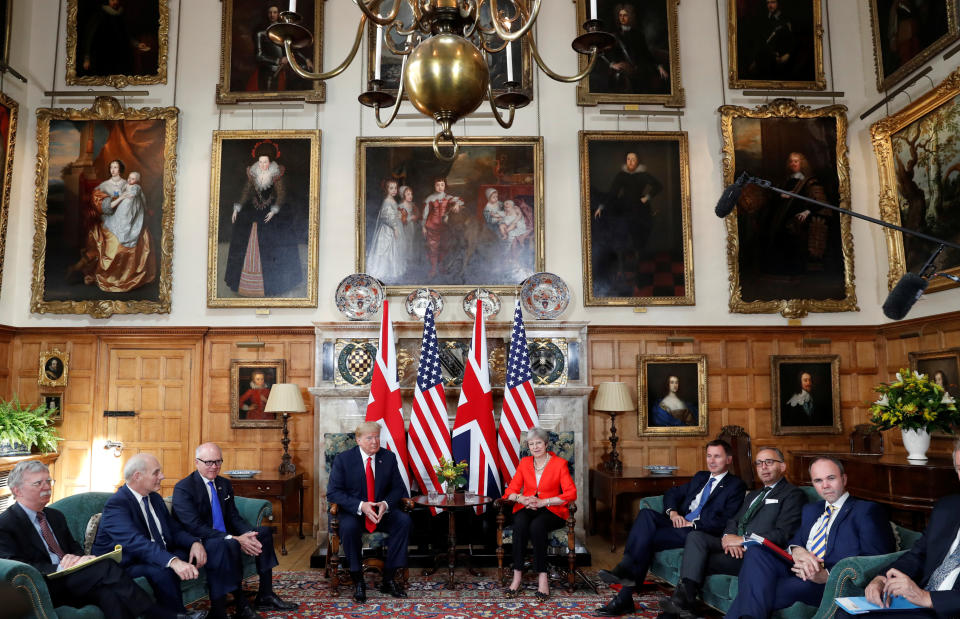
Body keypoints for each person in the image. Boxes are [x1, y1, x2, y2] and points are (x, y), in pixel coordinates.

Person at [0, 461, 200, 619]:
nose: (46, 487)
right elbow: (15, 566)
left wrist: (78, 559)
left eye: (48, 482)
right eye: (38, 483)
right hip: (44, 585)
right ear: (17, 490)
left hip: (73, 576)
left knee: (109, 594)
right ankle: (156, 613)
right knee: (105, 566)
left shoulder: (54, 515)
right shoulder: (6, 523)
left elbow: (74, 547)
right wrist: (60, 567)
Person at [724, 456, 895, 618]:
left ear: (844, 479)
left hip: (829, 582)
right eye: (818, 481)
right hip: (798, 569)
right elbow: (796, 541)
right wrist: (798, 551)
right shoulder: (812, 510)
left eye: (831, 478)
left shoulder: (866, 511)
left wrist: (826, 575)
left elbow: (878, 559)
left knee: (759, 590)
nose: (825, 485)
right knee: (756, 552)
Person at [593, 439, 746, 617]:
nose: (711, 461)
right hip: (678, 524)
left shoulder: (735, 486)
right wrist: (673, 512)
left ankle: (624, 594)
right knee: (646, 515)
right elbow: (673, 493)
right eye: (709, 456)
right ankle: (625, 580)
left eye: (717, 457)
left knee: (645, 540)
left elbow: (725, 520)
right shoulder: (701, 477)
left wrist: (693, 523)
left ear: (728, 459)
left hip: (697, 532)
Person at [660, 447, 806, 618]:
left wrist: (742, 540)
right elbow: (734, 520)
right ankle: (684, 603)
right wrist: (727, 537)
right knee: (696, 537)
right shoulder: (754, 495)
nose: (763, 467)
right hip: (734, 545)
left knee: (696, 561)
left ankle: (678, 608)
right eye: (759, 463)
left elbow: (783, 533)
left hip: (756, 554)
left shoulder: (793, 494)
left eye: (769, 462)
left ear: (782, 467)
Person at [172, 443, 298, 618]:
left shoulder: (223, 483)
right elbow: (195, 526)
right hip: (201, 539)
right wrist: (235, 538)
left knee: (263, 533)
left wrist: (248, 535)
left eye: (218, 462)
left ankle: (266, 594)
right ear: (197, 462)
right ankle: (240, 603)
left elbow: (233, 517)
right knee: (229, 543)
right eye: (209, 462)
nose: (214, 467)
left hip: (225, 535)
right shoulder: (184, 488)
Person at [843, 440, 960, 618]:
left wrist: (927, 598)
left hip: (947, 609)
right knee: (846, 614)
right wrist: (882, 578)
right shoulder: (948, 507)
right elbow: (918, 555)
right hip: (919, 603)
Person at [91, 454, 214, 615]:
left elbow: (174, 530)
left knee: (205, 551)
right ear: (137, 476)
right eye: (156, 473)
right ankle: (179, 615)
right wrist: (173, 561)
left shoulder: (154, 498)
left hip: (151, 553)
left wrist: (194, 543)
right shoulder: (117, 504)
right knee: (163, 569)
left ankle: (219, 604)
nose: (162, 476)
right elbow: (136, 542)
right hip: (126, 563)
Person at [327, 422, 411, 603]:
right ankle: (358, 580)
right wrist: (361, 505)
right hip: (353, 512)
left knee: (403, 520)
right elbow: (333, 492)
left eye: (377, 437)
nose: (375, 441)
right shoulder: (343, 459)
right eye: (369, 438)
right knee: (348, 527)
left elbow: (398, 488)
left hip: (381, 512)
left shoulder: (388, 457)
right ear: (358, 440)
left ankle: (389, 579)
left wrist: (385, 504)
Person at [501, 427, 578, 601]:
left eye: (538, 443)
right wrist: (522, 498)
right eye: (531, 444)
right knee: (519, 524)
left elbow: (570, 494)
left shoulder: (559, 464)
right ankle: (517, 577)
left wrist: (544, 501)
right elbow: (510, 491)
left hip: (552, 510)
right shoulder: (525, 463)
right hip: (527, 506)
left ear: (546, 444)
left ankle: (543, 578)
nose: (535, 447)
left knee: (537, 526)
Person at [224, 141, 303, 298]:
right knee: (247, 238)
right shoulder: (253, 173)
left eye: (265, 161)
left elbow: (281, 195)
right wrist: (237, 207)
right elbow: (246, 192)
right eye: (260, 161)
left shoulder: (276, 174)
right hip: (253, 209)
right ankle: (247, 285)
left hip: (273, 210)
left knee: (272, 243)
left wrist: (274, 211)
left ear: (271, 161)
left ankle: (274, 285)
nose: (263, 164)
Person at [67, 159, 156, 293]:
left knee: (143, 235)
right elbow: (104, 207)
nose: (113, 170)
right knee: (113, 243)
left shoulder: (129, 184)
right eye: (111, 167)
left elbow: (139, 201)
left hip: (130, 218)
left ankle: (128, 276)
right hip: (111, 218)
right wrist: (119, 199)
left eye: (116, 167)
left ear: (120, 169)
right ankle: (108, 275)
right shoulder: (104, 186)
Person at [592, 152, 663, 296]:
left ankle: (638, 278)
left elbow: (658, 186)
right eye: (628, 159)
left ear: (638, 161)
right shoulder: (621, 175)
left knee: (638, 244)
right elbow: (613, 193)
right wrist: (601, 207)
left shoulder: (643, 175)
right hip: (623, 211)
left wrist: (647, 197)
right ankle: (623, 277)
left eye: (633, 159)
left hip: (640, 212)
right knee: (622, 244)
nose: (630, 162)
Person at [765, 152, 832, 277]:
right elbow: (775, 196)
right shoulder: (787, 180)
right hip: (783, 216)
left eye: (796, 161)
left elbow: (820, 201)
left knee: (792, 236)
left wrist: (807, 211)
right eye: (791, 161)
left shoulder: (809, 181)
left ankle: (795, 272)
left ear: (802, 163)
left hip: (799, 216)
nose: (793, 164)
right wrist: (781, 195)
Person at [593, 3, 669, 94]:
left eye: (625, 15)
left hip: (638, 70)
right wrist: (612, 64)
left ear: (630, 16)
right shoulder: (614, 35)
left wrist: (659, 66)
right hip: (623, 70)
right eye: (620, 15)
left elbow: (646, 53)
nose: (622, 18)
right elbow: (604, 54)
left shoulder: (639, 35)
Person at [79, 0, 152, 77]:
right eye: (112, 0)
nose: (115, 2)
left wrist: (137, 44)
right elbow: (89, 37)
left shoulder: (120, 14)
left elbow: (126, 34)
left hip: (120, 56)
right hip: (103, 56)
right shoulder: (99, 14)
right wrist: (87, 58)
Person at [251, 5, 313, 92]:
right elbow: (259, 56)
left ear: (278, 15)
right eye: (270, 12)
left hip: (282, 71)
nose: (272, 15)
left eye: (275, 12)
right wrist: (278, 60)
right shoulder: (261, 34)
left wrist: (305, 59)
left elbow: (292, 49)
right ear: (267, 14)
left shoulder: (283, 33)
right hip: (267, 72)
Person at [421, 177, 464, 279]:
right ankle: (433, 269)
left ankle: (441, 267)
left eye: (442, 185)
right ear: (434, 186)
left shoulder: (448, 197)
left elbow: (461, 200)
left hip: (445, 228)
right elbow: (424, 214)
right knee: (433, 248)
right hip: (432, 227)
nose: (440, 187)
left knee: (444, 248)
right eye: (437, 185)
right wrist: (423, 227)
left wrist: (457, 204)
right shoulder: (430, 199)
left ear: (445, 186)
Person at [744, 0, 796, 81]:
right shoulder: (762, 19)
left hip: (779, 59)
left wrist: (788, 54)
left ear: (779, 3)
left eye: (773, 2)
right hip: (764, 58)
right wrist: (755, 60)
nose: (770, 5)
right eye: (768, 3)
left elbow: (792, 41)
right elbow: (759, 41)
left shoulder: (785, 19)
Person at [367, 179, 406, 282]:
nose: (394, 190)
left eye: (395, 188)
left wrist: (399, 214)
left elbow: (393, 214)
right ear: (386, 189)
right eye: (391, 188)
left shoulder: (392, 200)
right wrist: (394, 227)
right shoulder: (387, 201)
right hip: (388, 230)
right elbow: (386, 216)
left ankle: (392, 270)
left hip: (394, 227)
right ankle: (385, 271)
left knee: (394, 250)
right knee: (386, 250)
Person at [396, 185, 419, 260]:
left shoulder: (412, 204)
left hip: (412, 226)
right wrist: (410, 218)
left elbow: (417, 214)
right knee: (405, 242)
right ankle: (404, 258)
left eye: (411, 194)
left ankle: (410, 258)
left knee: (411, 241)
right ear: (403, 195)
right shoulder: (400, 206)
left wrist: (415, 216)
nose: (411, 196)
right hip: (404, 227)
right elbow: (399, 219)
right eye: (408, 194)